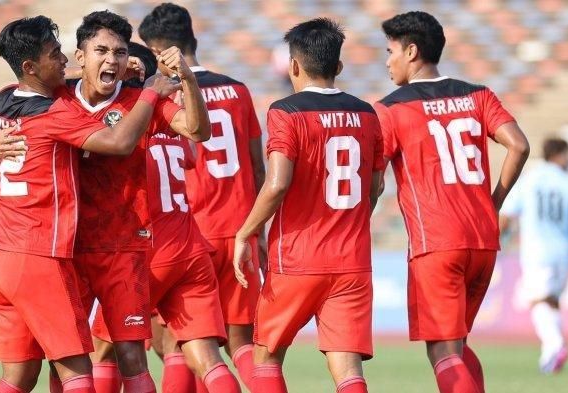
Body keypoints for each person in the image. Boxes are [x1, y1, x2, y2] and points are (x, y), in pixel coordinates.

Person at [0, 15, 180, 393]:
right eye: (55, 55)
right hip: (38, 254)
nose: (65, 60)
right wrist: (150, 92)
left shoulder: (3, 100)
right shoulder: (56, 113)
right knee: (79, 376)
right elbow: (117, 144)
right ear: (30, 67)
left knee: (17, 378)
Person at [373, 11, 530, 393]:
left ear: (411, 51)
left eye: (390, 50)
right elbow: (520, 145)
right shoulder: (478, 94)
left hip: (437, 243)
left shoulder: (391, 109)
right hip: (484, 239)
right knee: (457, 346)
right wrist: (494, 202)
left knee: (443, 350)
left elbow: (374, 182)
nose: (387, 59)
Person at [233, 18, 384, 393]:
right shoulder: (367, 113)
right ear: (338, 67)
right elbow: (376, 186)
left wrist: (246, 231)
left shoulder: (286, 111)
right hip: (352, 259)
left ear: (293, 66)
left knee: (266, 357)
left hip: (298, 258)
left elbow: (277, 182)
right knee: (347, 368)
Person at [65, 10, 211, 393]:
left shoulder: (139, 101)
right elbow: (18, 111)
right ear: (80, 55)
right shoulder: (59, 98)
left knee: (131, 354)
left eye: (118, 51)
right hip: (70, 247)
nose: (110, 59)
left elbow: (198, 130)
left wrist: (188, 80)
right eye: (101, 50)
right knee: (69, 354)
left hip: (124, 249)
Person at [138, 4, 266, 390]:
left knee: (177, 343)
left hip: (186, 234)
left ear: (160, 51)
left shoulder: (166, 96)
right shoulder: (239, 91)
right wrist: (257, 230)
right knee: (243, 343)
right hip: (238, 230)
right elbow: (257, 167)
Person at [501, 137, 568, 374]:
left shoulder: (530, 179)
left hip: (537, 249)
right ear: (559, 154)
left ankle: (554, 345)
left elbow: (509, 212)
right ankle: (549, 357)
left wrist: (495, 238)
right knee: (551, 300)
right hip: (563, 249)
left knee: (537, 300)